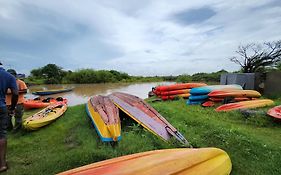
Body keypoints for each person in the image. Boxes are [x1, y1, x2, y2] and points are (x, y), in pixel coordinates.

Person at [0, 62, 18, 172]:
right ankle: (2, 165)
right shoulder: (8, 76)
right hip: (1, 106)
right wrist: (12, 108)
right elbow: (15, 93)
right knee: (1, 134)